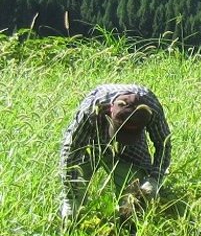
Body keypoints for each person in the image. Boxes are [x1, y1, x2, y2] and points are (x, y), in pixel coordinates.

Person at [59, 84, 172, 221]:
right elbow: (72, 147)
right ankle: (74, 222)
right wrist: (70, 197)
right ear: (111, 110)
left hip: (131, 148)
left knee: (136, 196)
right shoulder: (93, 106)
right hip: (91, 143)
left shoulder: (150, 108)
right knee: (76, 190)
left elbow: (163, 144)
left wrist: (154, 179)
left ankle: (128, 225)